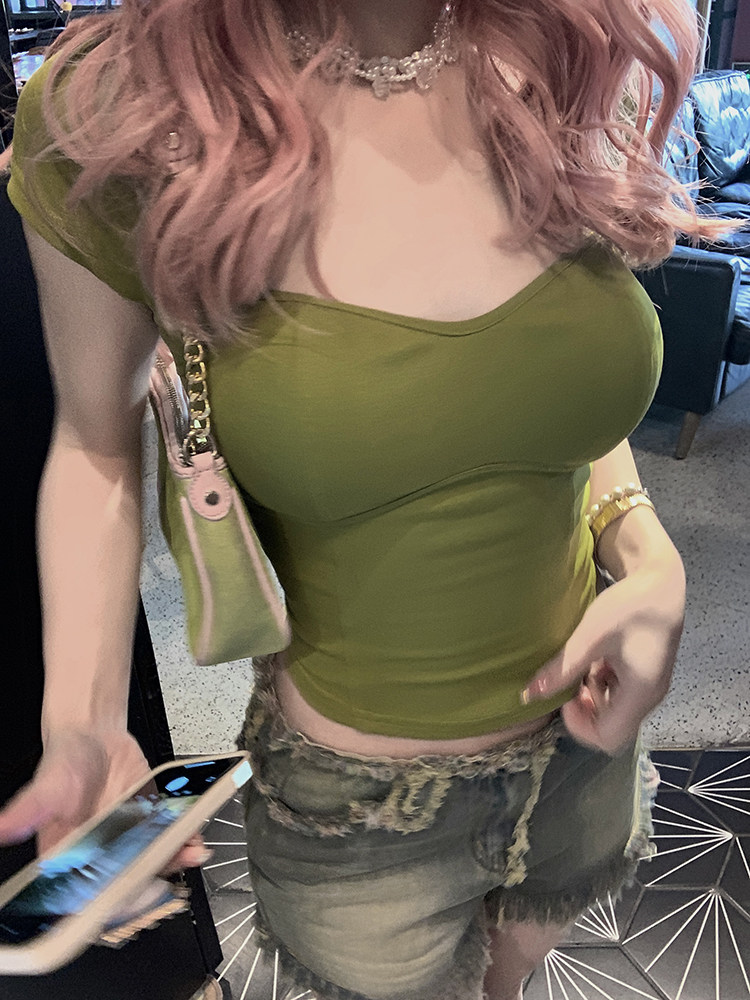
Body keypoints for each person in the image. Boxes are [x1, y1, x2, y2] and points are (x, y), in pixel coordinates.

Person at [0, 1, 739, 997]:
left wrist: (647, 553)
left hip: (586, 743)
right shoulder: (123, 107)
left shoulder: (567, 37)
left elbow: (543, 386)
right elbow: (95, 440)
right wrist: (82, 713)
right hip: (360, 809)